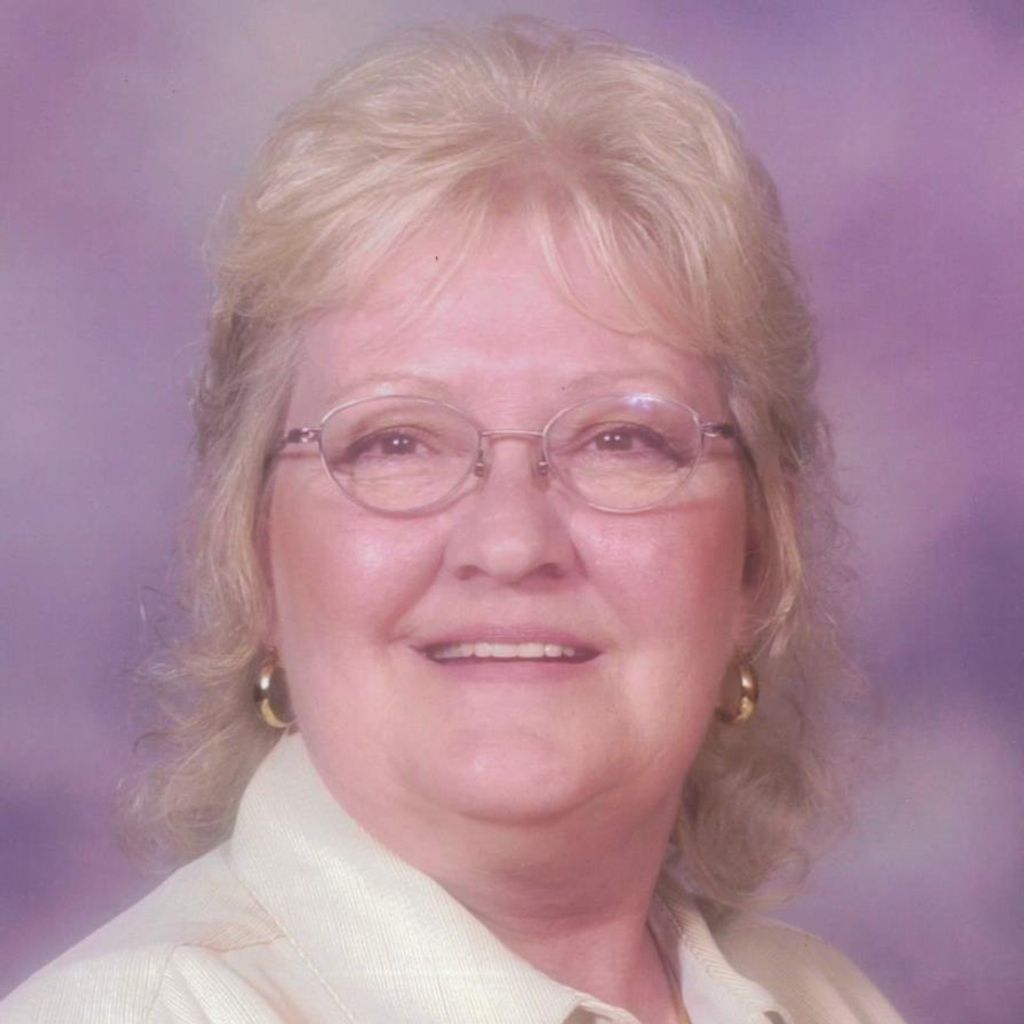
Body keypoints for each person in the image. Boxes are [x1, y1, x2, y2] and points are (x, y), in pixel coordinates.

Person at [2, 18, 906, 1024]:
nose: (511, 543)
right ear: (254, 557)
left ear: (760, 557)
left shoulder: (824, 1001)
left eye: (621, 439)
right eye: (396, 443)